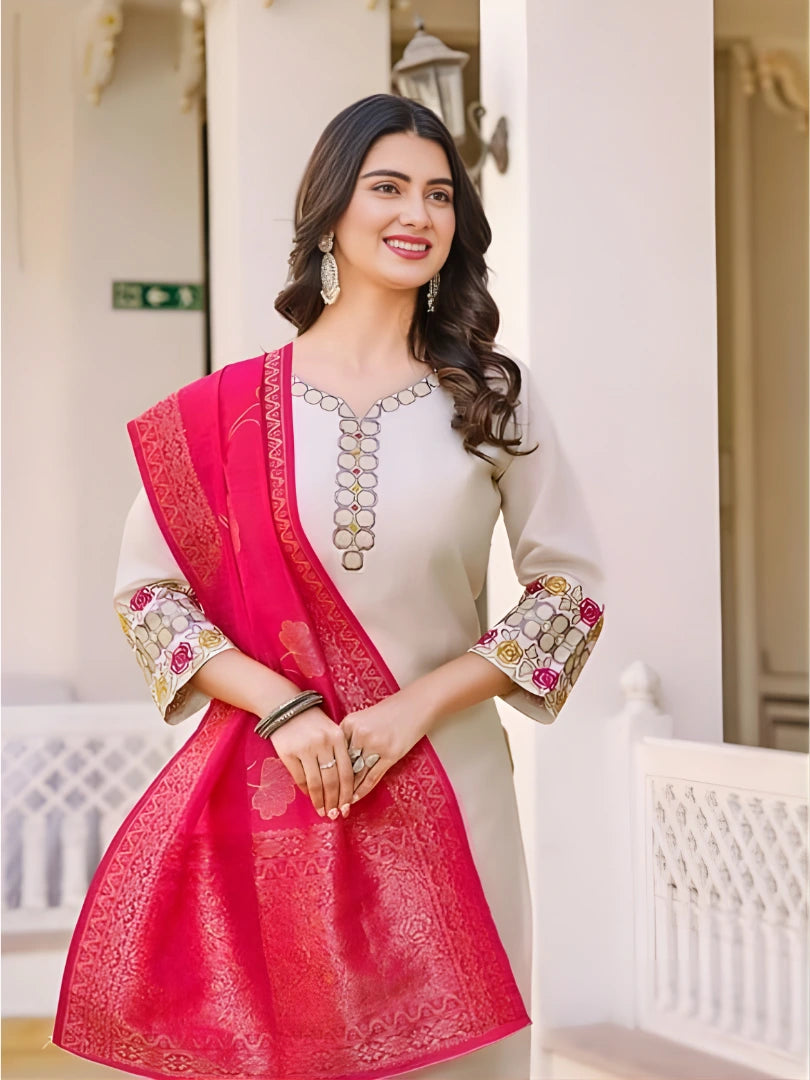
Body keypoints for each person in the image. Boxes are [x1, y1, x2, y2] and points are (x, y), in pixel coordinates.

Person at [54, 93, 605, 1080]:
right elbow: (149, 600)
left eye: (440, 195)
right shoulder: (220, 411)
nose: (417, 214)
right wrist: (283, 709)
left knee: (459, 1059)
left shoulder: (492, 401)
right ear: (331, 215)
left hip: (451, 788)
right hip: (282, 796)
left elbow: (567, 599)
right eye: (387, 187)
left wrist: (414, 710)